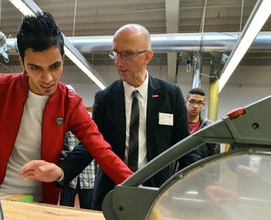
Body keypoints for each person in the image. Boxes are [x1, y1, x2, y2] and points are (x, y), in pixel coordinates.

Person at [0, 12, 132, 204]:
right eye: (35, 68)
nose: (47, 79)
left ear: (62, 57)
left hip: (42, 202)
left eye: (55, 66)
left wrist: (135, 188)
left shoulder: (70, 103)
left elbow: (101, 150)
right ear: (22, 62)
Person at [58, 24, 199, 210]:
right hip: (111, 192)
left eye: (126, 55)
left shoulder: (170, 95)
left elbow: (184, 146)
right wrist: (61, 171)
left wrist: (204, 180)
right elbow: (90, 145)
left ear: (147, 56)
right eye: (115, 53)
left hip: (155, 193)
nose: (117, 62)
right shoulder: (106, 98)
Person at [60, 130, 97, 209]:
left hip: (89, 176)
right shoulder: (67, 124)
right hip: (69, 176)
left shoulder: (93, 123)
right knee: (64, 211)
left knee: (89, 213)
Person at [186, 87, 220, 158]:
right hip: (178, 169)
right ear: (185, 102)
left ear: (203, 105)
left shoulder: (210, 127)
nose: (195, 106)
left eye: (199, 103)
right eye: (192, 101)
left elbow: (215, 156)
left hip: (200, 168)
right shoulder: (177, 124)